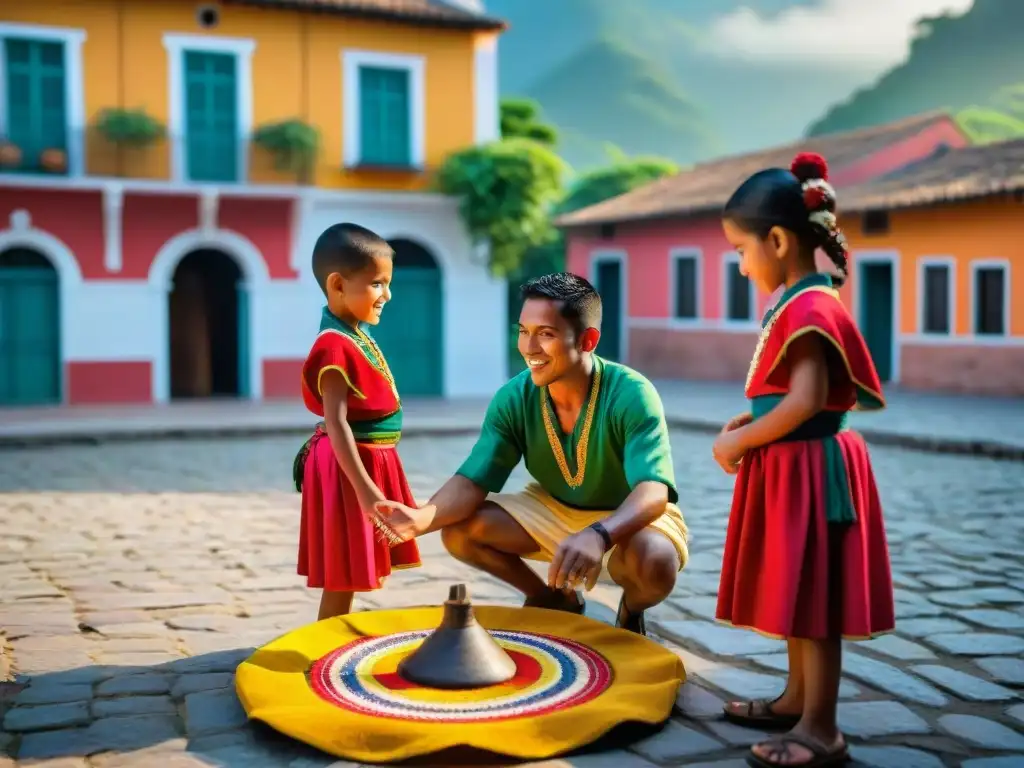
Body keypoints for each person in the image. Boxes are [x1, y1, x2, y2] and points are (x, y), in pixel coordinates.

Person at [372, 272, 689, 635]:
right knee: (458, 529)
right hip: (552, 510)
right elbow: (473, 480)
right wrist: (419, 518)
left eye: (546, 334)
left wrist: (599, 534)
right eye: (523, 331)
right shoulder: (514, 397)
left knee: (656, 561)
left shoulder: (632, 393)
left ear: (588, 340)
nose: (528, 347)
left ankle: (631, 611)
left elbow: (654, 491)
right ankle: (551, 597)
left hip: (625, 517)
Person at [711, 153, 894, 768]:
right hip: (793, 464)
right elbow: (788, 394)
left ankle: (821, 730)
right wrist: (753, 421)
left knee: (815, 600)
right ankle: (796, 698)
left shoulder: (813, 309)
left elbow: (811, 398)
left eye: (741, 250)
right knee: (797, 589)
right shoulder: (797, 300)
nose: (740, 265)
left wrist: (741, 442)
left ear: (779, 240)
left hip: (813, 472)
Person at [292, 223, 421, 621]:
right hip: (350, 466)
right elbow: (336, 422)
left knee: (349, 567)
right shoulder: (333, 345)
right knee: (342, 572)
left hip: (366, 460)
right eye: (377, 284)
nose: (388, 295)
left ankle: (330, 639)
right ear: (337, 285)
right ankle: (322, 644)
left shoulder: (353, 334)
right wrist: (366, 492)